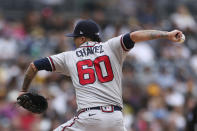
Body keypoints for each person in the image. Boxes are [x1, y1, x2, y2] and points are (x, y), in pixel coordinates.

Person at [19, 19, 184, 131]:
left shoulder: (69, 56)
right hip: (116, 119)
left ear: (82, 38)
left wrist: (23, 90)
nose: (74, 41)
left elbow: (34, 66)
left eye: (76, 38)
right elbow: (134, 35)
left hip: (89, 118)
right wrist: (166, 34)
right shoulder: (111, 47)